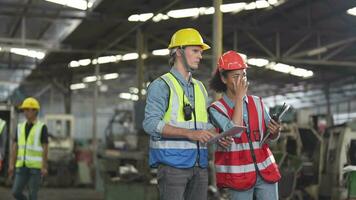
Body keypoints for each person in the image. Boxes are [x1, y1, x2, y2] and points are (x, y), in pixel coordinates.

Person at [143, 28, 215, 200]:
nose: (200, 56)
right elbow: (150, 124)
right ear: (178, 51)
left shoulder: (200, 87)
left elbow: (204, 125)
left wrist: (218, 134)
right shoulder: (161, 85)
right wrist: (189, 133)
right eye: (195, 51)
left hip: (200, 165)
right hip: (172, 166)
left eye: (201, 52)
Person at [208, 51, 282, 200]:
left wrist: (275, 131)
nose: (242, 80)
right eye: (236, 76)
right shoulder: (216, 109)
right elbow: (234, 130)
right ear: (223, 78)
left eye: (244, 75)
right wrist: (240, 99)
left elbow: (271, 136)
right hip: (237, 177)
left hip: (265, 171)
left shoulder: (258, 102)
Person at [9, 97, 49, 200]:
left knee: (33, 194)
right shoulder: (20, 127)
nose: (25, 112)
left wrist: (44, 166)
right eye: (24, 109)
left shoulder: (42, 127)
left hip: (35, 168)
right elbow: (15, 146)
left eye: (27, 109)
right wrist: (11, 164)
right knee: (16, 192)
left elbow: (45, 147)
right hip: (21, 166)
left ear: (35, 111)